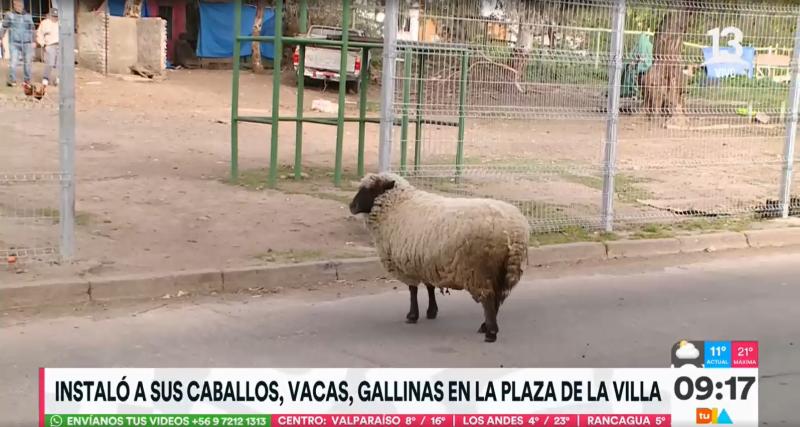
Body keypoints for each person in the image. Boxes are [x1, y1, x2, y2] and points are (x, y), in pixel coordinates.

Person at [0, 0, 35, 87]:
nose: (18, 6)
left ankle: (27, 81)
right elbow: (4, 27)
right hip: (14, 43)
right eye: (16, 4)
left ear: (23, 5)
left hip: (27, 43)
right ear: (14, 5)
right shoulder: (9, 15)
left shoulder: (28, 16)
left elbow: (32, 29)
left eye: (20, 4)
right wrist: (0, 37)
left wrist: (34, 41)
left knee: (27, 63)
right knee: (13, 62)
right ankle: (13, 80)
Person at [36, 7, 58, 86]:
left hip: (60, 45)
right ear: (49, 15)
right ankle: (45, 78)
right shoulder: (45, 23)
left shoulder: (60, 23)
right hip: (50, 45)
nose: (55, 18)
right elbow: (39, 34)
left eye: (56, 16)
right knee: (50, 63)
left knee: (60, 64)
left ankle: (57, 79)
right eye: (53, 16)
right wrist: (43, 44)